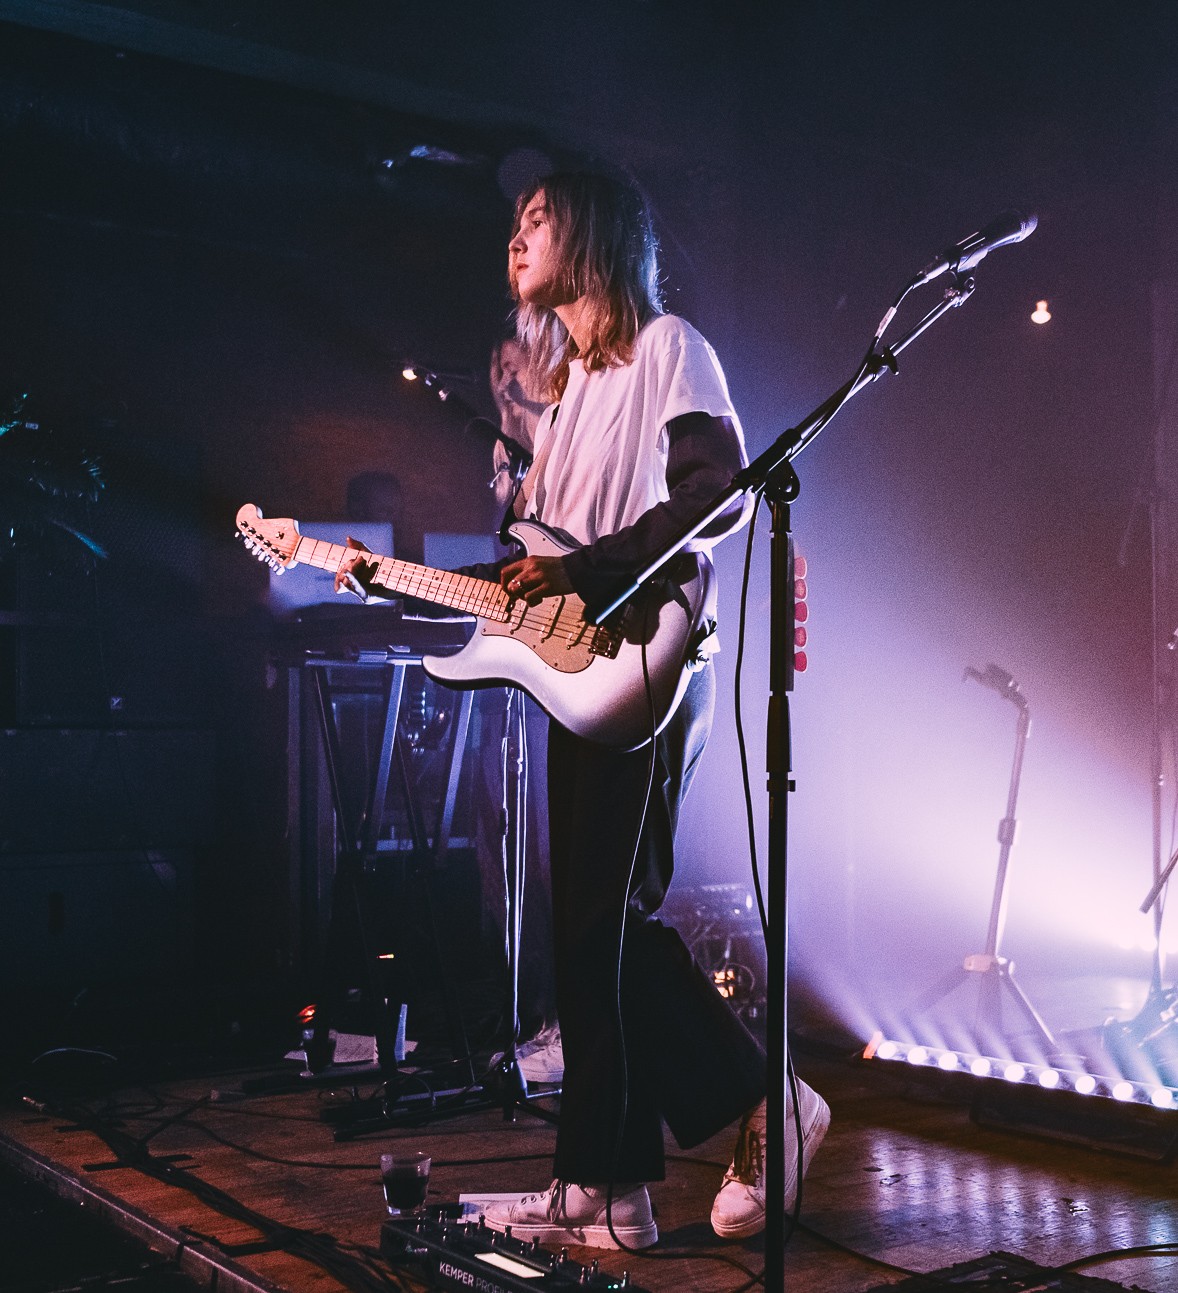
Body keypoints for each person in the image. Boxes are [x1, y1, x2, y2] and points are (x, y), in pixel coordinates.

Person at [353, 172, 829, 1247]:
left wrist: (579, 578)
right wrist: (385, 576)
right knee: (585, 942)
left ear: (596, 232)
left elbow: (714, 495)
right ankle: (603, 1192)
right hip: (579, 679)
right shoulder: (564, 396)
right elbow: (539, 567)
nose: (515, 235)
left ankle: (770, 1100)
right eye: (512, 221)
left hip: (651, 661)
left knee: (606, 925)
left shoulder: (669, 347)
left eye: (536, 216)